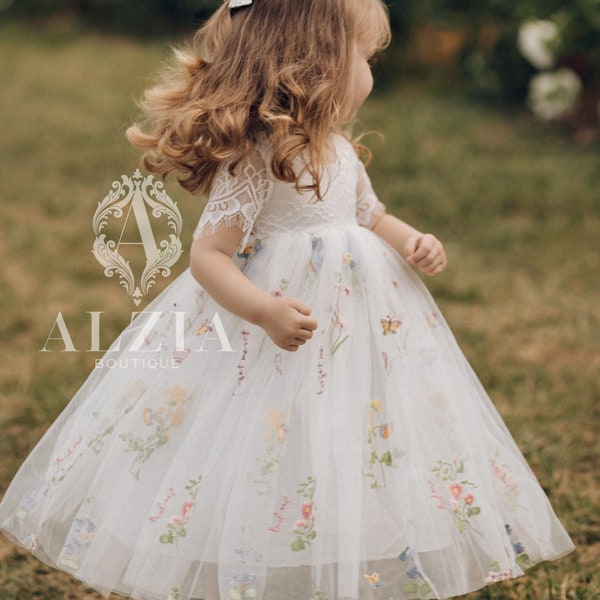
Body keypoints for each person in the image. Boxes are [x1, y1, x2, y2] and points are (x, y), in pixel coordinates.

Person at [0, 0, 574, 598]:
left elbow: (368, 213)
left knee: (351, 418)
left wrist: (412, 241)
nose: (372, 72)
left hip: (355, 319)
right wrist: (263, 311)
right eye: (364, 56)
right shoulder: (258, 156)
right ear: (318, 63)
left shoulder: (341, 152)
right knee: (269, 425)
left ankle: (346, 530)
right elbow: (208, 256)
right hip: (275, 318)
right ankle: (261, 537)